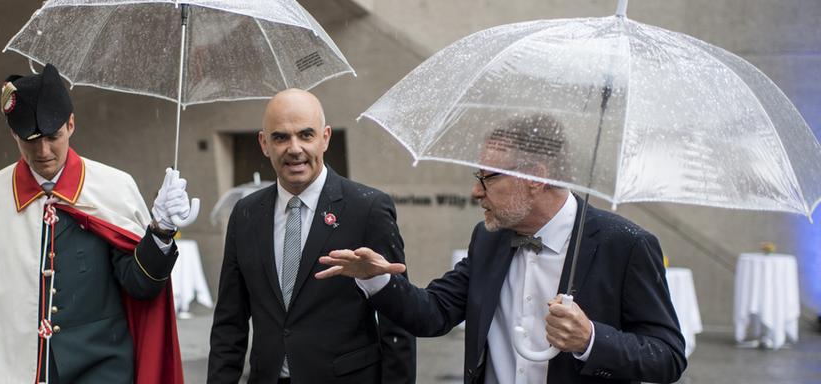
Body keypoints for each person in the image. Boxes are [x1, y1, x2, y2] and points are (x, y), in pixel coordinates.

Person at [317, 114, 687, 383]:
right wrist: (376, 280)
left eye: (488, 177)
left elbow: (667, 356)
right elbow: (434, 312)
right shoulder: (489, 238)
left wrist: (591, 340)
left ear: (537, 178)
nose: (476, 191)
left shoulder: (626, 245)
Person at [0, 63, 192, 383]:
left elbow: (140, 286)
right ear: (14, 134)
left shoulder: (114, 187)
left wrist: (161, 232)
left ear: (71, 124)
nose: (43, 151)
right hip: (11, 371)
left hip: (101, 369)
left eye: (53, 136)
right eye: (30, 139)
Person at [208, 88, 416, 384]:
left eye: (306, 135)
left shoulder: (367, 208)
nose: (294, 149)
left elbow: (398, 320)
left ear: (325, 137)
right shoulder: (246, 214)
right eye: (281, 137)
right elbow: (230, 322)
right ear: (264, 143)